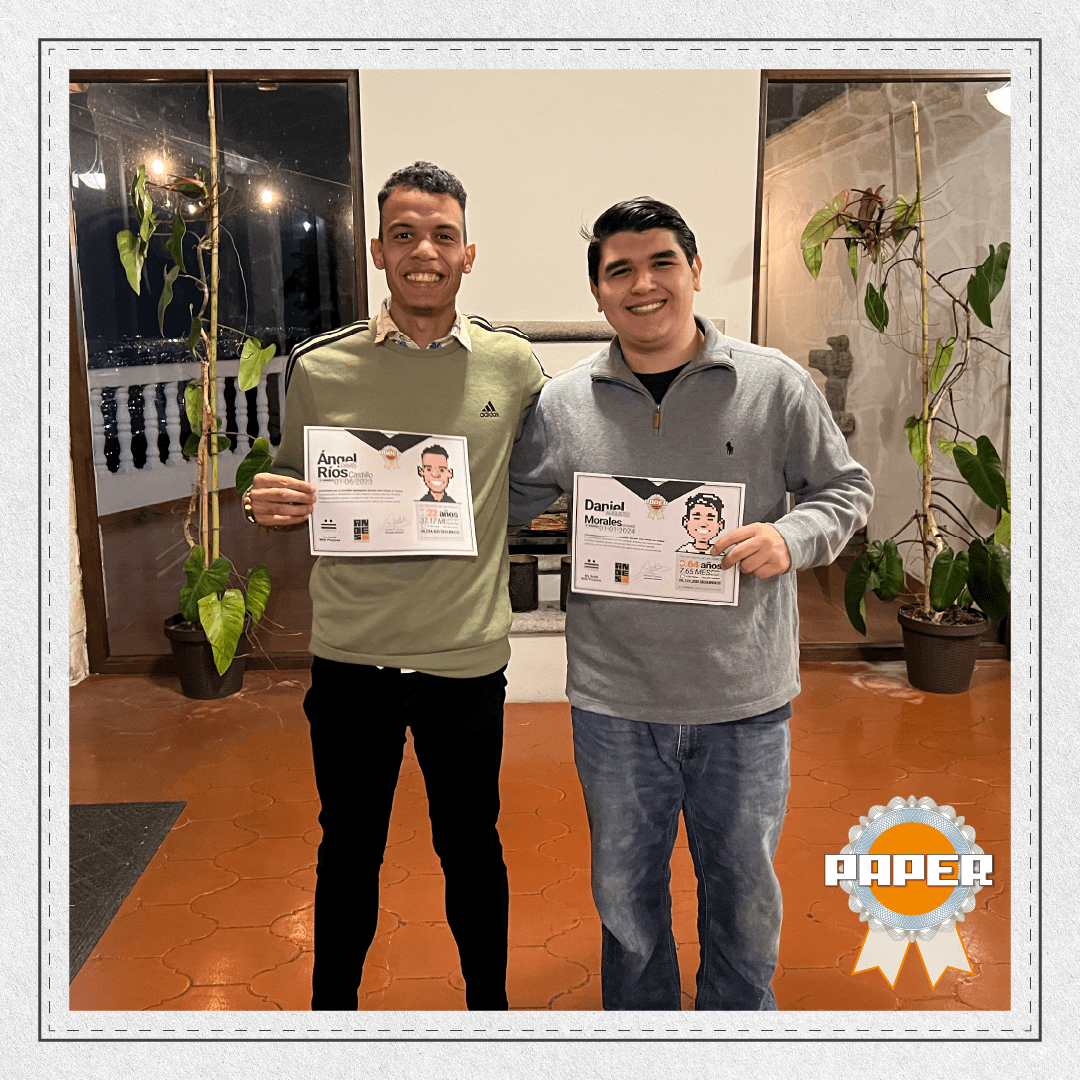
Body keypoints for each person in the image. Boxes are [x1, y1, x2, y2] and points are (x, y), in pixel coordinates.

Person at [509, 197, 873, 1011]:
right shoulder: (565, 404)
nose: (644, 285)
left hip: (743, 700)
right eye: (620, 271)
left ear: (695, 271)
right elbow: (507, 501)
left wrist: (792, 538)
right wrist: (380, 497)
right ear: (600, 294)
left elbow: (845, 491)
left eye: (662, 262)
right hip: (615, 704)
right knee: (626, 901)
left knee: (743, 896)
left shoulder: (773, 384)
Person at [244, 162, 547, 1011]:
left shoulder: (513, 363)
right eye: (406, 235)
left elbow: (554, 462)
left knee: (471, 849)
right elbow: (287, 486)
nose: (425, 252)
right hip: (351, 661)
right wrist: (267, 502)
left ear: (469, 253)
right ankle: (329, 1020)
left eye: (443, 235)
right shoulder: (320, 368)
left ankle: (491, 1012)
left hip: (465, 661)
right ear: (379, 250)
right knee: (348, 852)